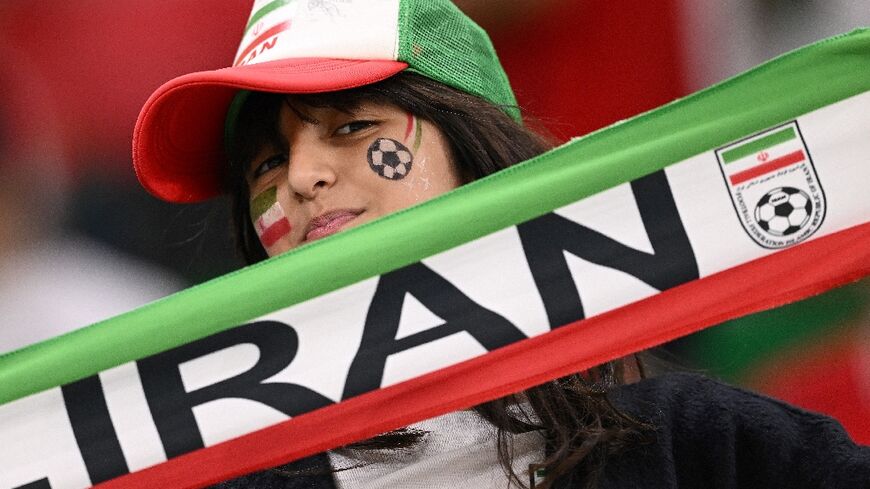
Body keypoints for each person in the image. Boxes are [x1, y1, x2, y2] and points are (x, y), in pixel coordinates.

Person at [132, 1, 870, 488]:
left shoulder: (701, 449)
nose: (300, 176)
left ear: (478, 153)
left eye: (352, 127)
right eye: (265, 161)